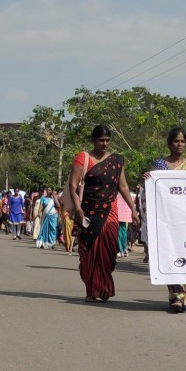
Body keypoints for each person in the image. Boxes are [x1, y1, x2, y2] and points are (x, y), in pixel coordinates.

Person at [69, 124, 139, 303]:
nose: (105, 144)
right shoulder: (83, 158)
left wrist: (133, 209)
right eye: (101, 140)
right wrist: (78, 209)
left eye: (108, 140)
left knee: (107, 252)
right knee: (89, 252)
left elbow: (123, 186)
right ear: (93, 140)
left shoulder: (116, 160)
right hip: (88, 211)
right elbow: (73, 185)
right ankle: (91, 290)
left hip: (110, 211)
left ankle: (104, 287)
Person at [146, 126, 186, 312]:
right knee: (170, 256)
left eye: (182, 141)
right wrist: (148, 178)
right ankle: (176, 296)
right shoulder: (159, 165)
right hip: (168, 220)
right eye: (176, 141)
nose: (179, 144)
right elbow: (153, 188)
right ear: (169, 144)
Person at [116, 192, 131, 257]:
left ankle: (124, 249)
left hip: (124, 217)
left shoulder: (125, 194)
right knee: (119, 234)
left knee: (124, 233)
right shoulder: (115, 194)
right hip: (117, 217)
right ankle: (121, 250)